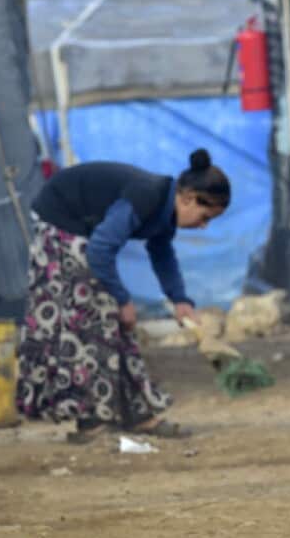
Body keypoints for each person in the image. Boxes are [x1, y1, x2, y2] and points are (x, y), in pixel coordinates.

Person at [17, 149, 229, 443]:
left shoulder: (165, 209)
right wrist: (121, 298)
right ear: (189, 197)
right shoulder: (148, 195)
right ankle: (89, 419)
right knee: (87, 324)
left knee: (117, 325)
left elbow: (162, 253)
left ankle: (138, 415)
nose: (204, 225)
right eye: (205, 217)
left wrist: (180, 300)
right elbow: (100, 248)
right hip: (62, 226)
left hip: (87, 235)